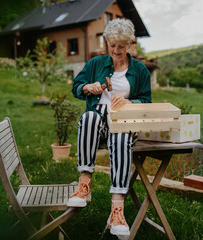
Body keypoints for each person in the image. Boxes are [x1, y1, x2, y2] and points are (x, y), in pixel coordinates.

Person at [67, 18, 151, 236]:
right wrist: (87, 87)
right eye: (112, 45)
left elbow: (147, 100)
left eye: (121, 46)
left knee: (122, 139)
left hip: (124, 121)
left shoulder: (140, 70)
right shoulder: (95, 64)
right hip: (98, 119)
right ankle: (84, 185)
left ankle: (117, 209)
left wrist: (130, 101)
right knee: (88, 118)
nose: (116, 50)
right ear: (107, 43)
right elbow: (76, 87)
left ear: (129, 44)